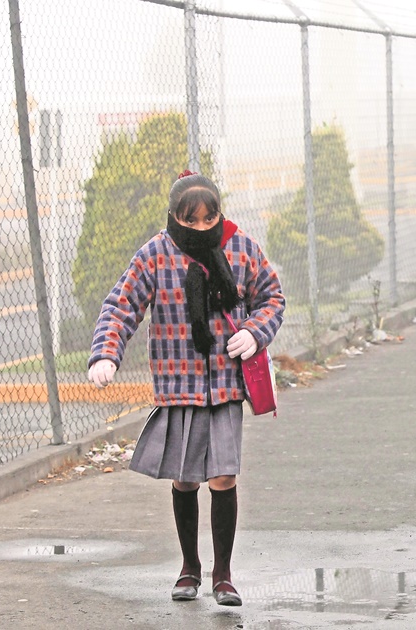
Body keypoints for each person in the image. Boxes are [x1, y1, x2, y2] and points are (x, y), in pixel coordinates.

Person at [87, 171, 285, 606]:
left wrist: (254, 331)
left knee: (224, 475)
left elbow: (272, 296)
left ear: (219, 213)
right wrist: (106, 353)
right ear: (175, 217)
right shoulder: (156, 254)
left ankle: (224, 575)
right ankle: (189, 567)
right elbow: (121, 305)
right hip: (178, 384)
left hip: (225, 386)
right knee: (184, 479)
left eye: (208, 217)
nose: (200, 227)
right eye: (190, 220)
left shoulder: (239, 246)